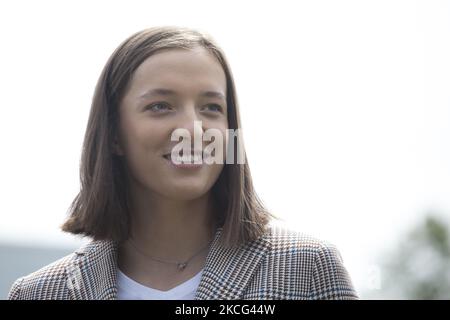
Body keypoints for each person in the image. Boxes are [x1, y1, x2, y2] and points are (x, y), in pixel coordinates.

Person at [8, 26, 358, 300]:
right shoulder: (38, 292)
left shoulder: (307, 267)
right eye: (160, 105)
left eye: (211, 108)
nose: (193, 129)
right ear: (114, 134)